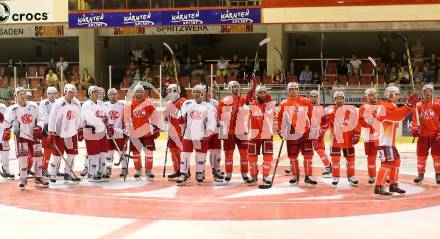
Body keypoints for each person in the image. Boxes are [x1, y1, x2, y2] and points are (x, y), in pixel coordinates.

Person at [373, 86, 418, 196]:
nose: (398, 96)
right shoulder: (384, 107)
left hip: (388, 142)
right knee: (387, 163)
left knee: (396, 161)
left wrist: (409, 106)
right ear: (390, 95)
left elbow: (397, 114)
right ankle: (378, 186)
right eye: (396, 94)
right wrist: (409, 106)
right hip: (383, 142)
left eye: (397, 94)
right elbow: (396, 116)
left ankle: (393, 185)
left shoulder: (390, 105)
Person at [4, 87, 48, 188]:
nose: (23, 96)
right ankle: (23, 179)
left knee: (38, 157)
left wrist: (39, 127)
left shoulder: (33, 106)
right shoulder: (13, 109)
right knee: (23, 159)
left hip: (34, 136)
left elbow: (41, 118)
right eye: (20, 94)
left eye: (24, 94)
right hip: (21, 137)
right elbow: (7, 123)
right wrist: (5, 122)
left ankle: (39, 177)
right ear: (16, 96)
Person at [278, 82, 316, 186]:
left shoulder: (305, 101)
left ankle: (308, 176)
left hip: (305, 132)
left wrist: (313, 128)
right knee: (293, 156)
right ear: (288, 91)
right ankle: (295, 175)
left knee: (308, 155)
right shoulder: (283, 104)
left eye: (295, 89)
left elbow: (311, 116)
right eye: (291, 89)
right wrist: (281, 131)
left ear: (298, 90)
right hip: (292, 133)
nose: (293, 91)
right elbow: (280, 119)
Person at [176, 84, 216, 186]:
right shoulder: (187, 103)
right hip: (188, 134)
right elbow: (181, 119)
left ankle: (199, 172)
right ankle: (183, 173)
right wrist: (180, 119)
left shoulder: (208, 107)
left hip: (201, 134)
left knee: (200, 155)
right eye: (194, 92)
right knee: (184, 154)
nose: (196, 94)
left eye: (198, 92)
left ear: (202, 93)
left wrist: (209, 133)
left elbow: (212, 121)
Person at [324, 91, 361, 186]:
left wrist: (357, 133)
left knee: (351, 159)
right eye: (337, 98)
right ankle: (336, 177)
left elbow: (356, 122)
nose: (339, 100)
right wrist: (326, 118)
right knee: (335, 159)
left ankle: (351, 176)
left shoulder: (351, 110)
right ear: (334, 99)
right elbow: (325, 123)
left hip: (348, 138)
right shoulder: (330, 110)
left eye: (341, 98)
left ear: (344, 99)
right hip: (335, 139)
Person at [125, 84, 161, 181]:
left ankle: (149, 170)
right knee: (136, 153)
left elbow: (155, 116)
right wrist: (128, 128)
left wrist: (155, 127)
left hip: (147, 133)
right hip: (135, 133)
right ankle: (138, 170)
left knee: (149, 153)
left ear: (143, 92)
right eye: (137, 91)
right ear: (135, 92)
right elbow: (127, 119)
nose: (139, 93)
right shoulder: (130, 104)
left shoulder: (148, 103)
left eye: (141, 91)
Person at [48, 84, 82, 184]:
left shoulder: (76, 102)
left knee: (72, 154)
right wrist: (51, 132)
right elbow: (52, 118)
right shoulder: (59, 103)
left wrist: (80, 128)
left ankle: (68, 173)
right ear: (65, 92)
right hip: (60, 133)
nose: (72, 95)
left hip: (72, 133)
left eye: (74, 93)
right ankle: (52, 174)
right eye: (70, 92)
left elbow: (80, 116)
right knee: (57, 155)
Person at [218, 81, 250, 183]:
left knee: (244, 154)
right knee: (228, 154)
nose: (236, 88)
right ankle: (228, 174)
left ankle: (245, 174)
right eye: (234, 87)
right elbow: (220, 116)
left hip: (241, 131)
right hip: (229, 132)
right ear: (229, 89)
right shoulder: (223, 101)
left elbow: (250, 110)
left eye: (237, 87)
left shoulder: (244, 100)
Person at [411, 84, 440, 185]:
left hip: (436, 135)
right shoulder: (418, 105)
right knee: (421, 156)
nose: (428, 93)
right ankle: (420, 174)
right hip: (422, 135)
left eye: (429, 91)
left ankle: (438, 174)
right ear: (423, 93)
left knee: (437, 156)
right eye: (425, 91)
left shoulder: (438, 103)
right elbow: (415, 120)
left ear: (432, 92)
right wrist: (414, 128)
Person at [247, 85, 275, 186]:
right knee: (252, 157)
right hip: (254, 135)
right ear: (256, 94)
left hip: (267, 134)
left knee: (268, 157)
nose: (263, 95)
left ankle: (266, 176)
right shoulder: (251, 105)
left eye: (264, 93)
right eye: (260, 93)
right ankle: (253, 176)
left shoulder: (270, 105)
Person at [81, 86, 109, 181]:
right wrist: (102, 120)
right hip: (91, 132)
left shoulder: (102, 104)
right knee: (93, 154)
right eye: (94, 92)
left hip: (102, 132)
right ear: (89, 93)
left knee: (103, 153)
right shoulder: (86, 105)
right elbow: (90, 119)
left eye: (97, 92)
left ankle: (100, 171)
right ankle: (91, 173)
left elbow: (106, 115)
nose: (97, 93)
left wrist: (109, 124)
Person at [163, 84, 187, 180]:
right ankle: (177, 170)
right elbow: (166, 120)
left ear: (178, 91)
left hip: (181, 132)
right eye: (168, 91)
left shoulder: (184, 102)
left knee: (182, 152)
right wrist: (165, 117)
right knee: (173, 152)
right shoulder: (168, 104)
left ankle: (185, 170)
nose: (170, 93)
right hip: (172, 132)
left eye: (173, 91)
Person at [359, 88, 381, 184]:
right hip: (369, 136)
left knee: (385, 156)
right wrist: (369, 120)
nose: (374, 96)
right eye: (372, 95)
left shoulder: (381, 105)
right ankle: (372, 175)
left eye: (375, 94)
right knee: (371, 157)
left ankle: (387, 174)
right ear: (367, 97)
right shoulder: (364, 107)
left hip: (381, 136)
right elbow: (362, 122)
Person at [104, 88, 126, 178]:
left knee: (121, 152)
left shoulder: (122, 104)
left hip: (119, 132)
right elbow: (103, 117)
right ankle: (108, 169)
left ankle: (124, 168)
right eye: (110, 94)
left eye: (114, 94)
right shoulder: (105, 105)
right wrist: (106, 126)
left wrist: (126, 130)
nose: (112, 96)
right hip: (108, 133)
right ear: (108, 95)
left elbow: (126, 117)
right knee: (109, 152)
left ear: (117, 94)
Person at [205, 87, 224, 182]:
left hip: (215, 131)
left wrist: (223, 132)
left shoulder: (216, 103)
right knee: (201, 153)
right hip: (204, 132)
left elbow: (222, 117)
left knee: (216, 152)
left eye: (210, 92)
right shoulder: (196, 103)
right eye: (206, 92)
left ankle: (216, 169)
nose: (208, 94)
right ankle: (201, 171)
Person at [38, 87, 58, 177]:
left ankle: (56, 169)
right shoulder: (44, 103)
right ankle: (44, 168)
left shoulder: (58, 102)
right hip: (47, 129)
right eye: (50, 93)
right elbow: (44, 116)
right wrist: (51, 125)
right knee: (48, 150)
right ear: (47, 94)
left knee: (58, 150)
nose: (52, 95)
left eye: (54, 93)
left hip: (57, 129)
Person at [0, 102, 14, 179]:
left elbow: (8, 120)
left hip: (2, 135)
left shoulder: (3, 106)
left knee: (5, 153)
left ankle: (6, 170)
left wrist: (8, 130)